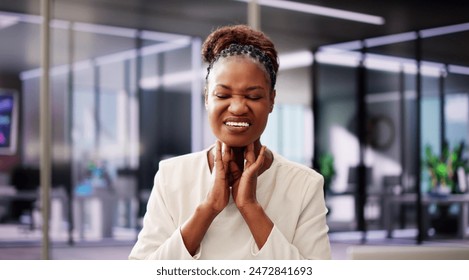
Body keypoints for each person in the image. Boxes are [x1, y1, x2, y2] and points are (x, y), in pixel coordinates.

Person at [129, 24, 331, 260]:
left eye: (253, 96)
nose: (237, 108)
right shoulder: (172, 175)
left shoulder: (304, 184)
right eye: (223, 95)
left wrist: (250, 207)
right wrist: (209, 208)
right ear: (206, 97)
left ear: (272, 100)